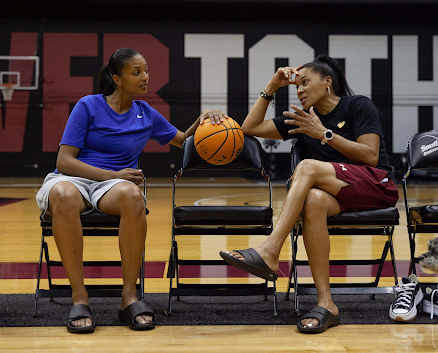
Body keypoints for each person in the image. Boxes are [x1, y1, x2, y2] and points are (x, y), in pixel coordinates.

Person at [36, 48, 225, 333]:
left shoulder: (145, 113)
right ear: (117, 79)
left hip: (112, 186)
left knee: (133, 196)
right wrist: (113, 174)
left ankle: (129, 298)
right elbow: (65, 161)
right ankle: (79, 298)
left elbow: (185, 141)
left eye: (146, 70)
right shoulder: (88, 105)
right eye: (137, 72)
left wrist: (204, 123)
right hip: (73, 178)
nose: (145, 77)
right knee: (63, 195)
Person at [220, 55, 399, 333]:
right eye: (296, 86)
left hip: (377, 185)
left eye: (305, 83)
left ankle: (270, 250)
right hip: (340, 192)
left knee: (307, 168)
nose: (300, 90)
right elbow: (248, 128)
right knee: (313, 200)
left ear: (327, 82)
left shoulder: (357, 105)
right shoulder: (302, 120)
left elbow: (371, 156)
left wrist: (323, 134)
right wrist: (273, 85)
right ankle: (326, 303)